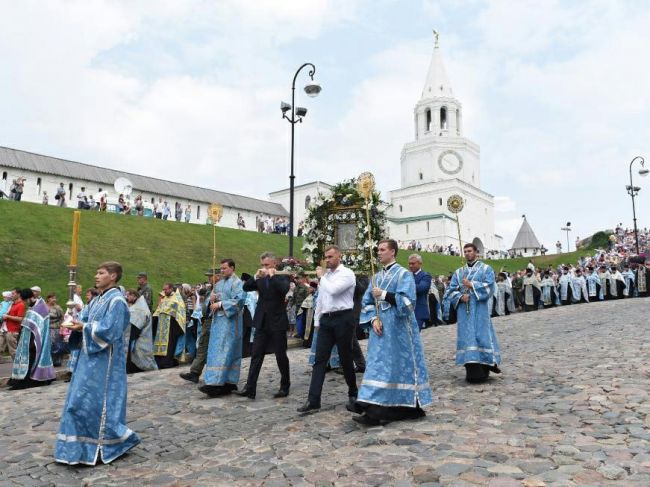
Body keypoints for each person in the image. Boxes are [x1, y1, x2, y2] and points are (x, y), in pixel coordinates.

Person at [54, 261, 140, 465]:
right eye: (96, 272)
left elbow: (110, 330)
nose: (96, 276)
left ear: (113, 276)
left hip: (105, 363)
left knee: (95, 403)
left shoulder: (117, 301)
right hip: (87, 359)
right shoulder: (96, 300)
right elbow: (84, 320)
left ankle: (103, 443)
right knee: (76, 402)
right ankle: (76, 448)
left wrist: (84, 326)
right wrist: (74, 324)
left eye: (101, 273)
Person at [349, 239, 433, 426]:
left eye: (382, 249)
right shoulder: (376, 277)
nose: (378, 253)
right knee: (377, 367)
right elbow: (367, 302)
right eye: (377, 250)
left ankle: (402, 406)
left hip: (400, 332)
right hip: (379, 331)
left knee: (397, 368)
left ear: (393, 252)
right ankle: (371, 406)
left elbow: (409, 303)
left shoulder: (404, 275)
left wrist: (385, 295)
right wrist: (373, 319)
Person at [297, 245, 357, 413]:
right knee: (319, 360)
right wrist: (317, 322)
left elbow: (333, 291)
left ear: (339, 256)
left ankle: (353, 391)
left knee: (345, 358)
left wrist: (321, 278)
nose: (327, 260)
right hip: (326, 320)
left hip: (343, 318)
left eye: (330, 257)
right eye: (326, 257)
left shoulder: (347, 274)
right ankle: (313, 399)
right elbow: (322, 299)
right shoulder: (327, 276)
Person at [443, 243, 502, 384]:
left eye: (470, 251)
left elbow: (490, 287)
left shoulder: (486, 269)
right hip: (464, 312)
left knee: (481, 336)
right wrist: (459, 297)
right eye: (465, 251)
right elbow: (450, 291)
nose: (467, 253)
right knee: (467, 338)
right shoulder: (459, 272)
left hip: (480, 310)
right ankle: (473, 371)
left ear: (476, 252)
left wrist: (472, 285)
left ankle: (486, 365)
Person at [236, 252, 291, 400]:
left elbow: (284, 289)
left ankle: (285, 385)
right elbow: (246, 287)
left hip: (277, 321)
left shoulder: (282, 276)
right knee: (256, 355)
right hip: (261, 321)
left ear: (274, 264)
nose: (264, 267)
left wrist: (272, 275)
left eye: (267, 265)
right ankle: (250, 387)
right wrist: (255, 275)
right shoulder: (260, 277)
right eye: (262, 265)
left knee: (280, 355)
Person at [199, 259, 245, 397]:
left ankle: (218, 384)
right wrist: (210, 299)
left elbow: (240, 301)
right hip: (217, 324)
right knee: (216, 352)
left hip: (231, 324)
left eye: (224, 268)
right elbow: (209, 304)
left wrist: (220, 304)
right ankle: (220, 382)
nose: (222, 271)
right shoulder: (218, 284)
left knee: (226, 352)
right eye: (221, 268)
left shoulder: (238, 283)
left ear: (232, 268)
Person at [8, 289, 56, 390]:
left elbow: (39, 326)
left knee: (32, 358)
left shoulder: (40, 307)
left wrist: (33, 341)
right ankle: (19, 379)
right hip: (27, 338)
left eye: (25, 300)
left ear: (30, 298)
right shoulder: (33, 306)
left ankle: (31, 380)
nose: (25, 303)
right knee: (26, 358)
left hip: (35, 339)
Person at [180, 270, 219, 383]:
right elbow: (201, 294)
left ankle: (215, 374)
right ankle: (195, 372)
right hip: (206, 320)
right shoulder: (210, 289)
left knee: (212, 348)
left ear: (217, 276)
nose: (208, 279)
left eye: (210, 277)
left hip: (214, 321)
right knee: (202, 345)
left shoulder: (219, 289)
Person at [152, 283, 186, 369]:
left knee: (169, 345)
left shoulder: (176, 298)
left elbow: (180, 311)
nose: (164, 291)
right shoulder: (164, 299)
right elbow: (159, 310)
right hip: (161, 326)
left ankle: (167, 362)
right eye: (163, 289)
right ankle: (159, 362)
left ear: (171, 289)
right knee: (159, 344)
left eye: (166, 289)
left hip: (171, 326)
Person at [124, 289, 158, 373]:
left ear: (134, 296)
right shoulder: (138, 305)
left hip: (141, 339)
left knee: (142, 358)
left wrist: (129, 338)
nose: (127, 297)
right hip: (139, 337)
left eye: (128, 295)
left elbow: (136, 327)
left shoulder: (139, 309)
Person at [408, 254, 432, 330]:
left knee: (414, 336)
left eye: (413, 263)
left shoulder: (425, 276)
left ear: (420, 263)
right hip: (407, 311)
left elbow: (421, 288)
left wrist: (405, 286)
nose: (411, 266)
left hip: (418, 311)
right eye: (409, 263)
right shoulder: (407, 275)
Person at [0, 288, 26, 359]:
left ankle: (20, 367)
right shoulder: (11, 304)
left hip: (12, 330)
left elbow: (20, 319)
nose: (11, 295)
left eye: (13, 293)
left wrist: (7, 316)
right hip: (3, 329)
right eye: (11, 293)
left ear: (18, 294)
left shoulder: (21, 305)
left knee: (13, 351)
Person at [46, 293, 66, 367]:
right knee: (47, 346)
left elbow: (62, 318)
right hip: (46, 329)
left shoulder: (58, 308)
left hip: (55, 329)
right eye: (52, 298)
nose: (54, 299)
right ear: (48, 299)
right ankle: (48, 361)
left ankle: (57, 361)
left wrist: (62, 327)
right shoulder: (44, 307)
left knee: (56, 345)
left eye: (55, 298)